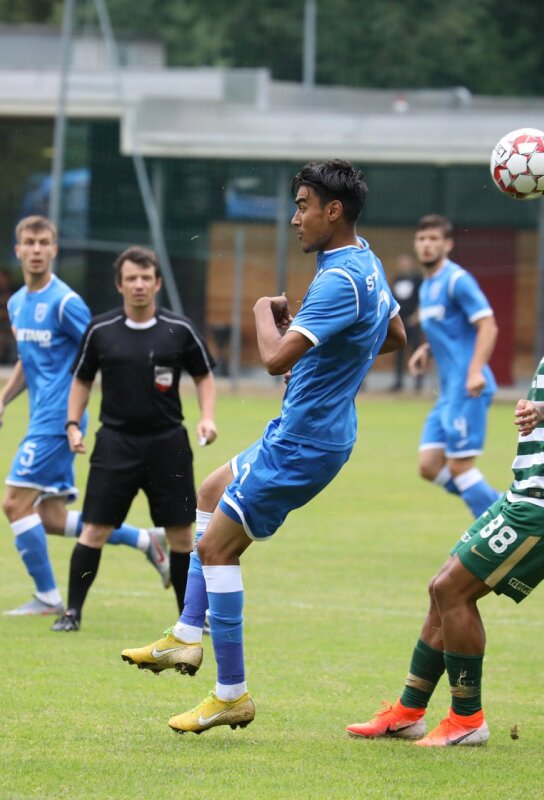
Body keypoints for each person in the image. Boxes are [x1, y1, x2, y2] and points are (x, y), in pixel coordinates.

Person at [120, 159, 406, 734]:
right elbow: (394, 334)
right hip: (312, 431)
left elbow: (274, 358)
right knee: (209, 490)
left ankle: (231, 694)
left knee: (216, 551)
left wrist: (261, 315)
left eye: (303, 206)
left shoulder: (339, 279)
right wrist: (328, 359)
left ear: (333, 211)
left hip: (303, 442)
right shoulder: (367, 262)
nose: (295, 218)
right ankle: (186, 635)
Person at [345, 215, 544, 747]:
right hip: (542, 497)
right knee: (441, 587)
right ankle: (409, 711)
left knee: (452, 591)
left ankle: (467, 720)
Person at [0, 217, 171, 618]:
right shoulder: (17, 303)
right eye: (29, 242)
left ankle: (48, 597)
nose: (36, 249)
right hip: (41, 417)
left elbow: (100, 347)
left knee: (14, 503)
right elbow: (28, 360)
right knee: (51, 518)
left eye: (44, 242)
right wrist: (2, 400)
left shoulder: (65, 303)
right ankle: (147, 541)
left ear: (55, 250)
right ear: (18, 250)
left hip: (59, 419)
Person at [56, 245, 219, 633]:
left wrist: (207, 418)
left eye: (146, 278)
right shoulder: (101, 330)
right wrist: (73, 424)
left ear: (158, 283)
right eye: (132, 278)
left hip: (168, 444)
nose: (139, 284)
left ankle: (190, 619)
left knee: (182, 536)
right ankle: (72, 613)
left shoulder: (179, 329)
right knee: (94, 529)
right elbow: (81, 380)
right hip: (116, 442)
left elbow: (203, 376)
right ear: (120, 285)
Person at [407, 215, 502, 520]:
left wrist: (475, 371)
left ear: (447, 245)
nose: (426, 244)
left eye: (433, 239)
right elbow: (450, 330)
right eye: (422, 239)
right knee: (429, 466)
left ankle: (496, 525)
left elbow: (488, 325)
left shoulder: (457, 280)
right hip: (448, 393)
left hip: (468, 388)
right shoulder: (427, 286)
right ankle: (502, 509)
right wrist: (426, 349)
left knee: (460, 467)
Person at [388, 253, 422, 392]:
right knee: (398, 352)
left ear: (411, 263)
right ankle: (398, 382)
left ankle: (418, 382)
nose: (404, 265)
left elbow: (422, 299)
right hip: (399, 322)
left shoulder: (418, 279)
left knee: (416, 350)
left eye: (406, 262)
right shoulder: (396, 279)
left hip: (413, 321)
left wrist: (416, 316)